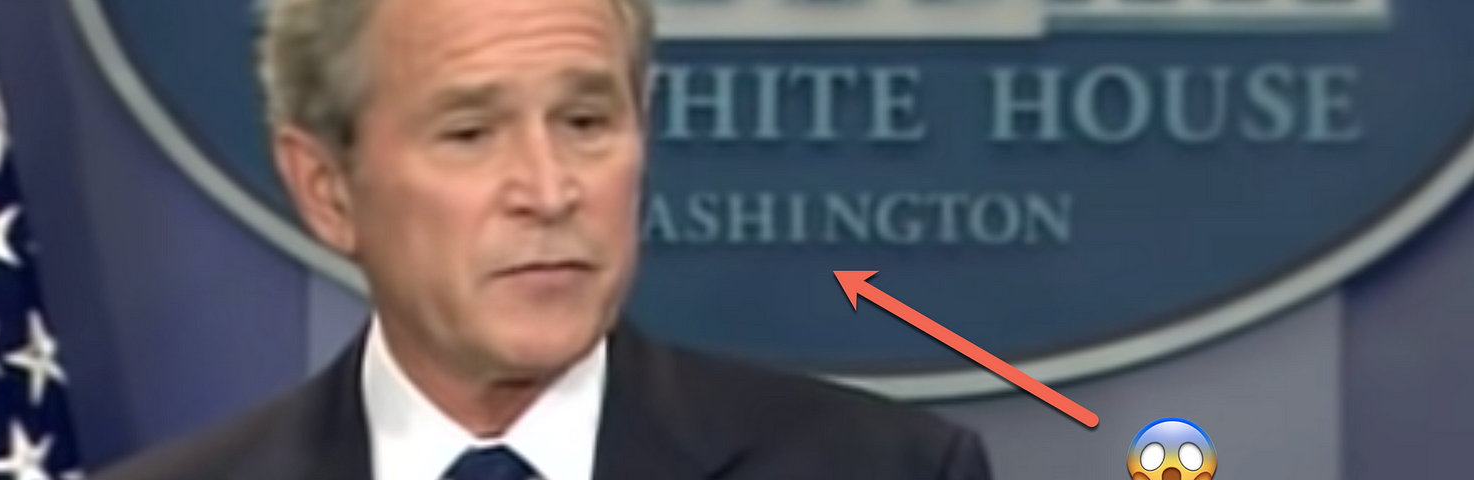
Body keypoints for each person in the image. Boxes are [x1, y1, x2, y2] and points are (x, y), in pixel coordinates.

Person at [89, 0, 993, 478]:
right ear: (328, 190)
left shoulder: (885, 475)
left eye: (586, 120)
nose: (550, 191)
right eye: (470, 133)